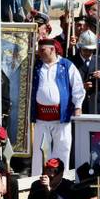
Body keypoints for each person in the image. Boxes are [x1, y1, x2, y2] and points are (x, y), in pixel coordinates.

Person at [30, 38, 85, 175]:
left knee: (63, 150)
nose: (39, 53)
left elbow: (77, 87)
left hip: (61, 117)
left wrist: (78, 106)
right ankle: (38, 179)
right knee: (39, 151)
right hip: (41, 119)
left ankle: (62, 179)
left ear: (52, 49)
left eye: (42, 50)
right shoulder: (36, 66)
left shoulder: (66, 65)